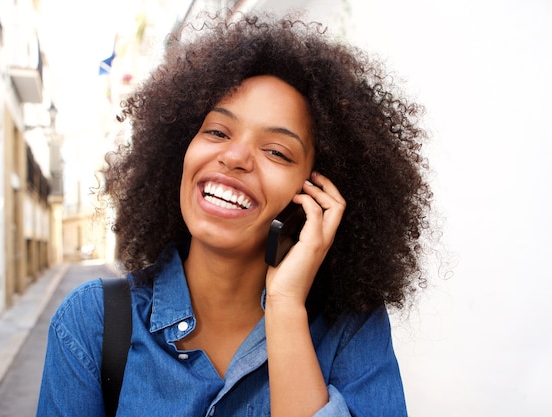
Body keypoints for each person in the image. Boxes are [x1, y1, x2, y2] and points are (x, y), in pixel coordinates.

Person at [37, 11, 432, 417]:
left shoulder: (351, 330)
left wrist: (285, 307)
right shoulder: (92, 324)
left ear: (315, 193)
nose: (236, 157)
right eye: (217, 132)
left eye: (277, 152)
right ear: (180, 151)